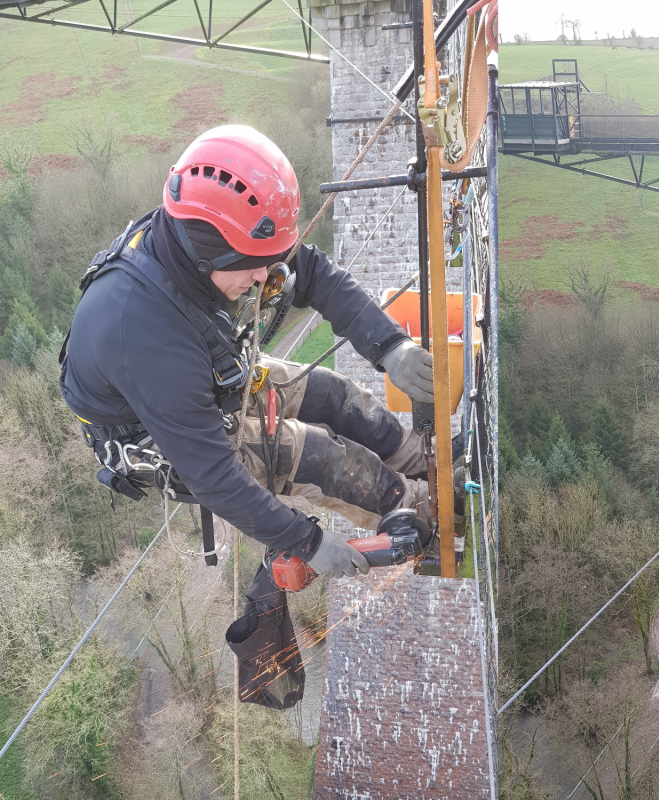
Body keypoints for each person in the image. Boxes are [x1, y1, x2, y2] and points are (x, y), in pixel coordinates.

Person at [59, 124, 445, 579]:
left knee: (331, 395)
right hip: (159, 432)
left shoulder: (217, 235)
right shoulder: (144, 334)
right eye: (254, 266)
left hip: (200, 370)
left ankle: (425, 463)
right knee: (315, 455)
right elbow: (214, 476)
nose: (266, 277)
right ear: (211, 255)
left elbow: (312, 273)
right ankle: (428, 509)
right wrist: (309, 542)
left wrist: (390, 345)